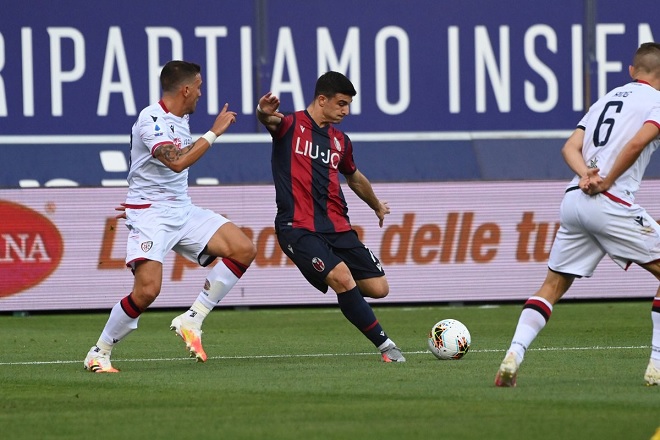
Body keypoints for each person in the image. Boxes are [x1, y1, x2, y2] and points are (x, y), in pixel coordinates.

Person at [495, 42, 660, 387]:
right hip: (609, 198)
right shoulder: (656, 103)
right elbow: (635, 144)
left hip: (575, 198)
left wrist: (587, 174)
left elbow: (569, 146)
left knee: (552, 285)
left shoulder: (606, 100)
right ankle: (656, 365)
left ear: (632, 71)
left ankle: (514, 354)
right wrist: (605, 181)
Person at [84, 60, 257, 373]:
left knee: (243, 248)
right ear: (186, 89)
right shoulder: (151, 119)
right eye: (199, 88)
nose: (201, 95)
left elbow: (163, 163)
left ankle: (193, 318)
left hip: (182, 210)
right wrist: (214, 132)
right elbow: (176, 162)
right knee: (148, 291)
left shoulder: (181, 120)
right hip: (151, 215)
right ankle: (100, 351)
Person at [255, 71, 405, 362]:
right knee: (342, 278)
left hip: (337, 227)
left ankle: (350, 296)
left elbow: (355, 177)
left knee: (379, 288)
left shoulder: (341, 141)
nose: (345, 111)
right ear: (321, 100)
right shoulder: (291, 124)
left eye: (347, 104)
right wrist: (262, 111)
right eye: (341, 103)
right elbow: (268, 119)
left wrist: (375, 205)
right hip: (297, 227)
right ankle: (387, 347)